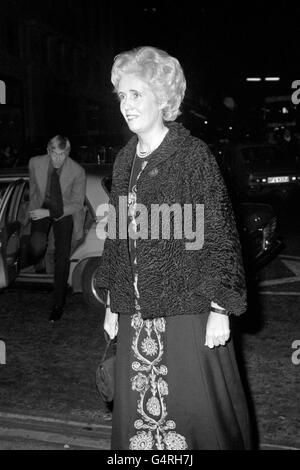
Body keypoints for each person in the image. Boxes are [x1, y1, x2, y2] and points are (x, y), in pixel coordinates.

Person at [95, 46, 252, 450]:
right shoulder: (125, 160)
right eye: (122, 97)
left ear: (163, 99)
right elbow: (118, 236)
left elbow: (218, 233)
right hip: (135, 313)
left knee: (195, 415)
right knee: (140, 428)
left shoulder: (192, 156)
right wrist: (114, 300)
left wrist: (220, 306)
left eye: (137, 94)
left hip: (187, 310)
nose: (126, 106)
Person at [28, 135, 86, 322]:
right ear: (48, 151)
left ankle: (58, 305)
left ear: (68, 153)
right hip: (41, 206)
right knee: (37, 247)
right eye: (55, 154)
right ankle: (35, 262)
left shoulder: (77, 171)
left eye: (63, 154)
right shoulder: (35, 163)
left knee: (62, 257)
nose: (58, 159)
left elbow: (77, 204)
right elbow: (33, 187)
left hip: (64, 210)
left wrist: (49, 214)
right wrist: (33, 210)